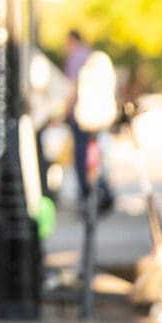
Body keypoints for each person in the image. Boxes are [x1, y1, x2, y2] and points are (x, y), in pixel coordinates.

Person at [63, 29, 114, 213]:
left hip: (82, 116)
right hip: (99, 117)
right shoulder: (91, 55)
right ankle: (101, 192)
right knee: (94, 155)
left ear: (71, 40)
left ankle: (90, 194)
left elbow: (73, 87)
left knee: (82, 158)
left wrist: (64, 113)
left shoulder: (76, 57)